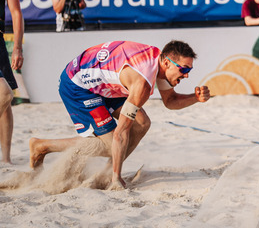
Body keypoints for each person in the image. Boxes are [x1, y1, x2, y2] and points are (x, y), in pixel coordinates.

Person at [28, 40, 211, 189]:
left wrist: (195, 98)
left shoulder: (158, 63)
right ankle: (41, 146)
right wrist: (117, 178)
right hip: (78, 85)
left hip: (104, 85)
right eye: (184, 69)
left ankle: (107, 172)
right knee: (111, 145)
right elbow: (121, 133)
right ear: (166, 63)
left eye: (189, 70)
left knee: (142, 123)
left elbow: (170, 101)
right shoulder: (142, 83)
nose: (186, 75)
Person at [0, 0, 25, 164]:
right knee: (4, 94)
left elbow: (16, 12)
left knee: (6, 103)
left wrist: (17, 47)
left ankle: (6, 160)